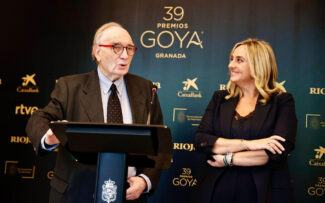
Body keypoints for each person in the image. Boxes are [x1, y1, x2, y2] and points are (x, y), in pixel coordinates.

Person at [26, 22, 163, 203]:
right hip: (77, 193)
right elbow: (39, 118)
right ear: (98, 52)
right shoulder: (70, 86)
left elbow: (160, 140)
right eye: (116, 47)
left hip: (128, 194)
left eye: (129, 48)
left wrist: (145, 181)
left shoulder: (145, 88)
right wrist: (48, 137)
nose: (125, 55)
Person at [192, 38, 297, 203]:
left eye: (239, 60)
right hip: (218, 189)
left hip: (263, 192)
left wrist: (228, 159)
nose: (231, 65)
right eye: (232, 59)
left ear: (258, 65)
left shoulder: (282, 101)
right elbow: (201, 140)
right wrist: (249, 144)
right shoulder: (220, 98)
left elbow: (276, 152)